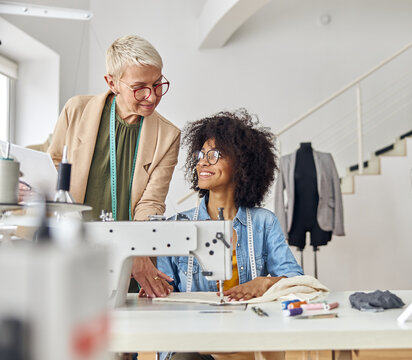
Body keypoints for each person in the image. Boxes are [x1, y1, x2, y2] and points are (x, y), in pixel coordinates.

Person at [157, 110, 303, 360]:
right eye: (201, 155)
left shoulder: (263, 223)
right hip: (192, 344)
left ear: (241, 163)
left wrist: (264, 283)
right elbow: (163, 299)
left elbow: (297, 282)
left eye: (214, 155)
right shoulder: (177, 226)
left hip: (243, 343)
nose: (202, 162)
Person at [47, 35, 180, 298]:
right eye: (139, 87)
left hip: (131, 265)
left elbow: (150, 203)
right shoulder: (76, 111)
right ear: (112, 83)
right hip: (73, 253)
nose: (151, 97)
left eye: (157, 84)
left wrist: (134, 251)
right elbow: (53, 170)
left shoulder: (168, 136)